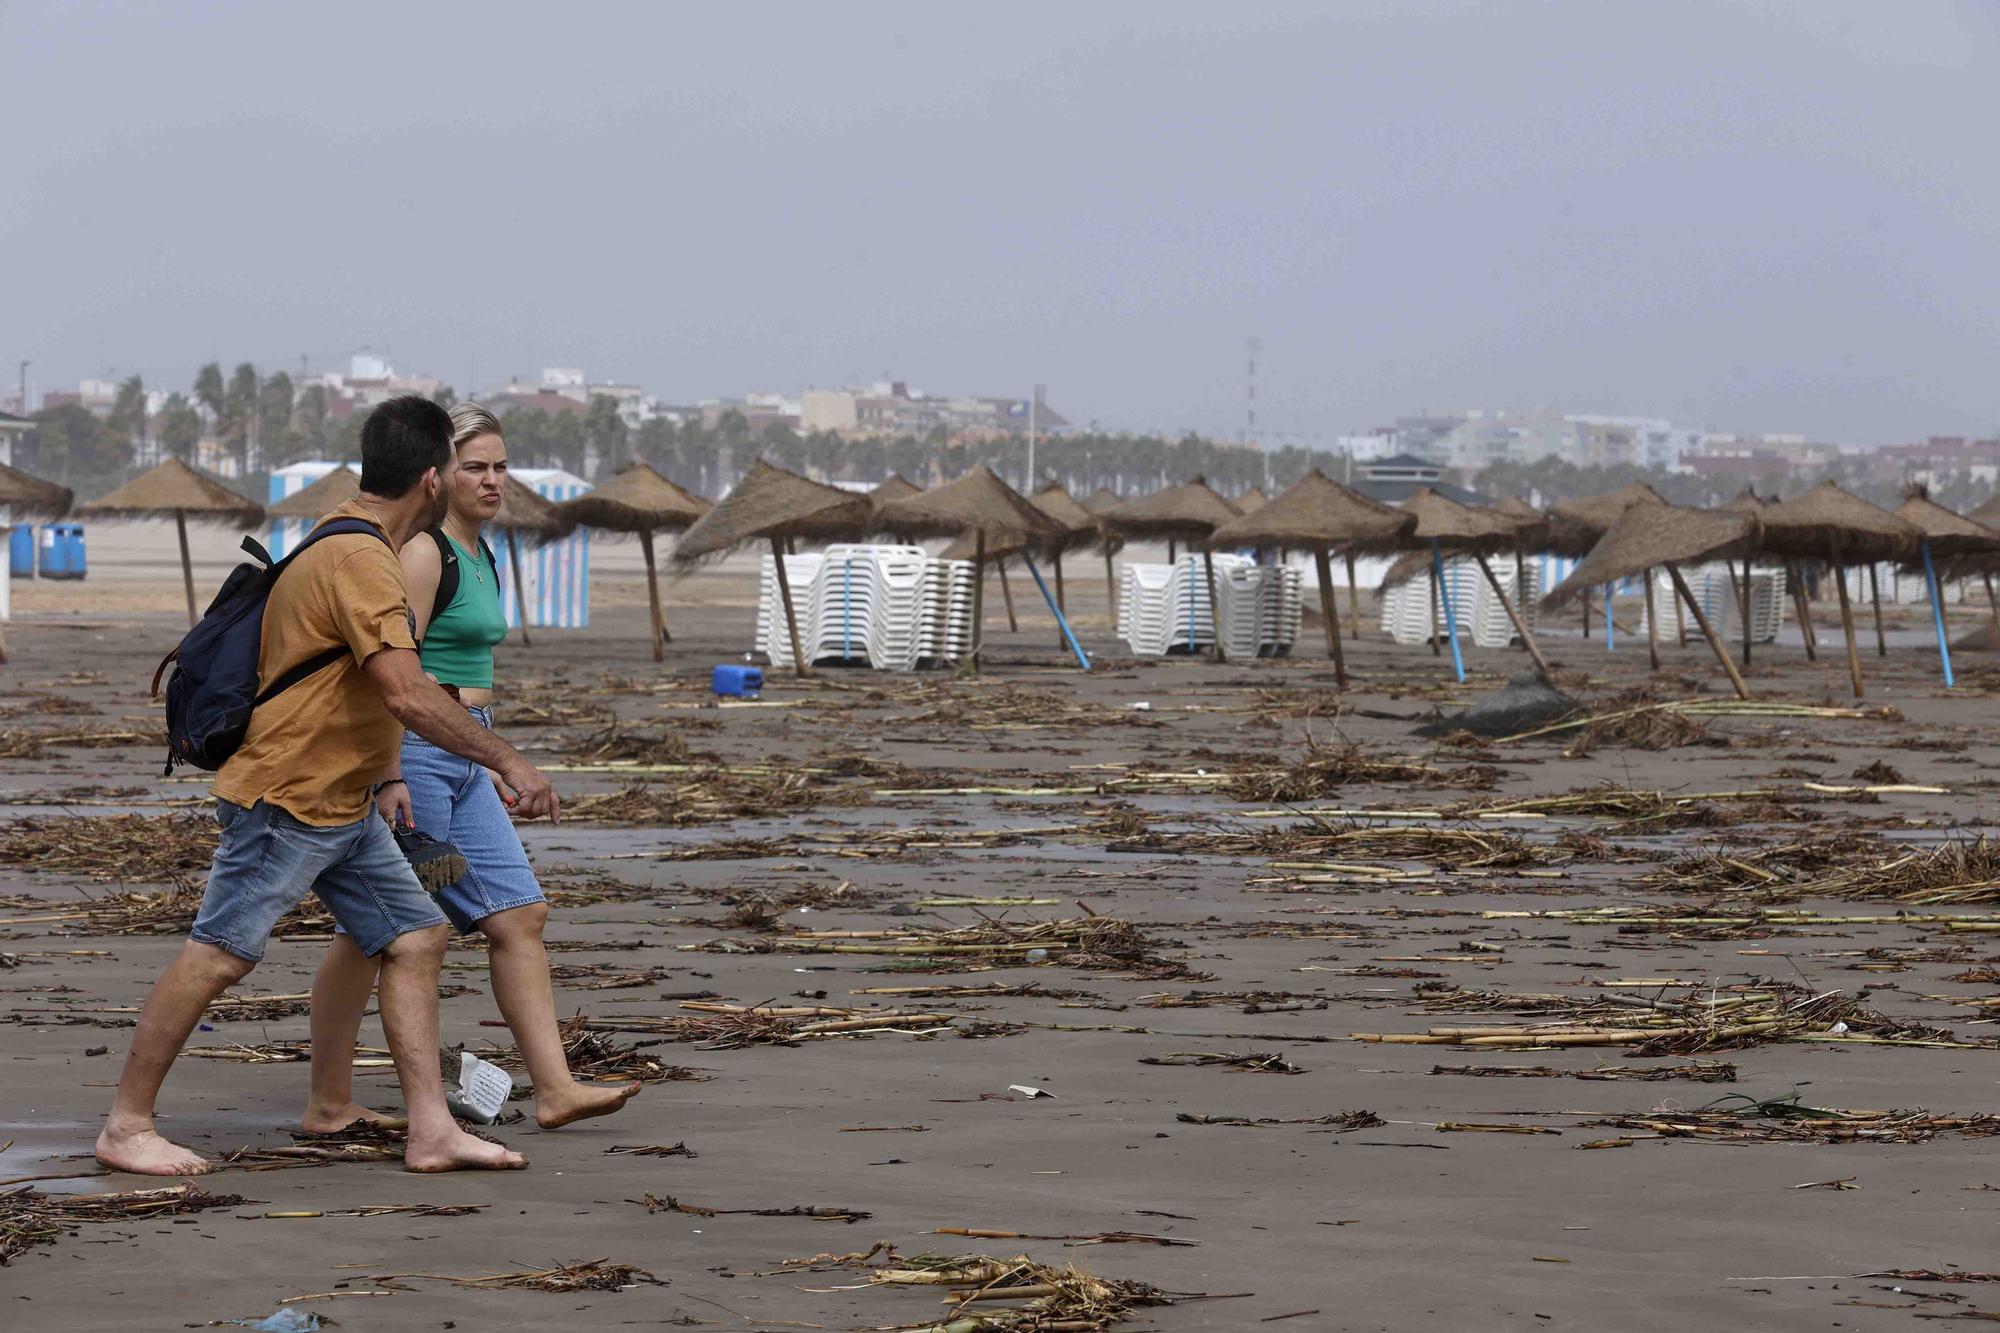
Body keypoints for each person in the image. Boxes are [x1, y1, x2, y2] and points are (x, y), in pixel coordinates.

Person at [94, 395, 560, 1176]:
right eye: (461, 465)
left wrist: (383, 779)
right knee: (219, 955)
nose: (474, 479)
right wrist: (507, 759)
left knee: (416, 934)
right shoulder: (362, 559)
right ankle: (126, 1122)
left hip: (343, 802)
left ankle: (428, 1127)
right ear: (432, 477)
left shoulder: (353, 533)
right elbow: (406, 692)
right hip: (288, 797)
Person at [301, 402, 639, 1134]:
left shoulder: (482, 549)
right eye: (474, 466)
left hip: (462, 751)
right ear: (439, 474)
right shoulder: (427, 553)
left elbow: (463, 675)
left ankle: (555, 1087)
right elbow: (397, 675)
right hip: (416, 757)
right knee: (378, 931)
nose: (491, 480)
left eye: (500, 466)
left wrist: (479, 755)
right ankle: (328, 1097)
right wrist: (392, 769)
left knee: (519, 913)